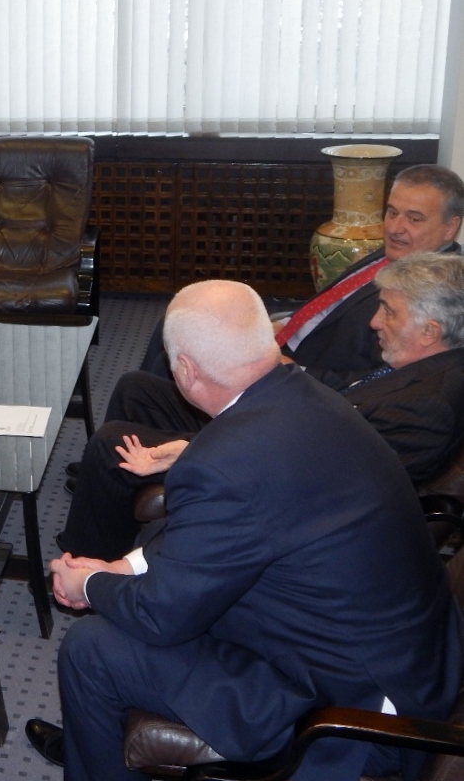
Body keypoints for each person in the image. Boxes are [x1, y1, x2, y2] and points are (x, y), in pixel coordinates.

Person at [26, 279, 463, 781]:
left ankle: (94, 751)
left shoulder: (225, 461)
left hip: (354, 711)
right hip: (407, 658)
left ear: (185, 369)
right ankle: (94, 739)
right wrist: (123, 566)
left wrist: (90, 584)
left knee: (92, 647)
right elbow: (234, 530)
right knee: (143, 598)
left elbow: (161, 617)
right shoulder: (307, 398)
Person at [58, 251, 464, 561]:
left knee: (111, 444)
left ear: (429, 331)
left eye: (389, 311)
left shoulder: (427, 406)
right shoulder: (419, 366)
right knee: (138, 389)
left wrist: (206, 444)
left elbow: (323, 483)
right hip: (283, 426)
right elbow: (348, 392)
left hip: (275, 460)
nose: (375, 321)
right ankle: (114, 511)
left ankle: (87, 560)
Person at [141, 163, 462, 388]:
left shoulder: (437, 291)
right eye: (392, 212)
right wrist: (283, 324)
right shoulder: (403, 252)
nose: (395, 227)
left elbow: (381, 380)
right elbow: (333, 305)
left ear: (451, 226)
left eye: (414, 219)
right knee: (178, 323)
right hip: (286, 336)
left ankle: (166, 435)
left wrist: (297, 370)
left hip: (299, 373)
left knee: (165, 365)